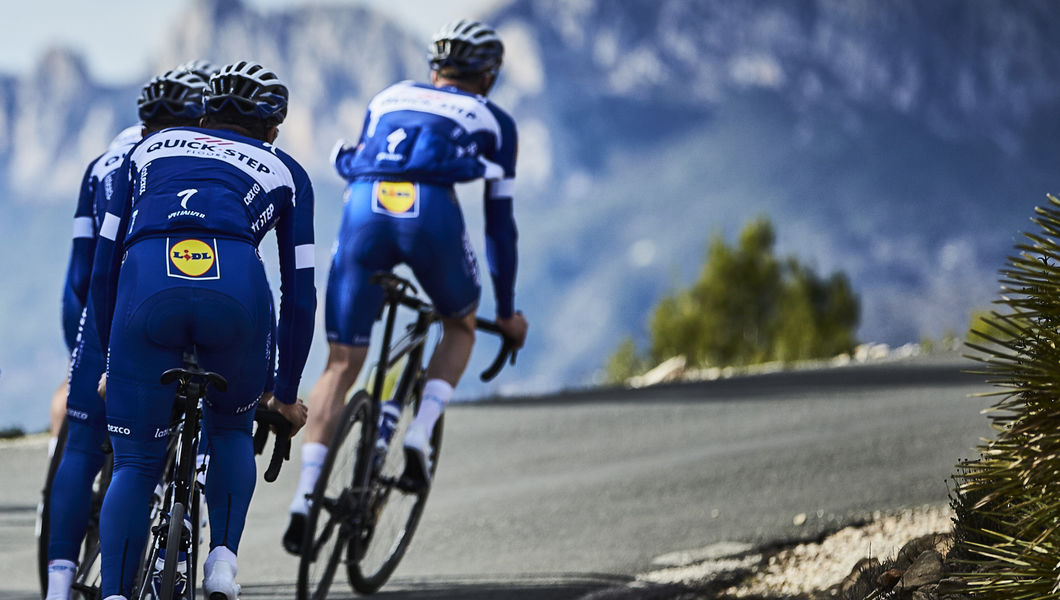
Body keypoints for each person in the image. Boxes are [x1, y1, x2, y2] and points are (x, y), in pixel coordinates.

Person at [283, 18, 528, 553]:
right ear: (487, 76)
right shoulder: (497, 121)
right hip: (431, 214)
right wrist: (507, 312)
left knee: (341, 363)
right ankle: (420, 430)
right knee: (459, 325)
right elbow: (500, 226)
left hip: (364, 207)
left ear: (435, 70)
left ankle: (305, 495)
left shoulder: (388, 95)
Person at [90, 60, 314, 600]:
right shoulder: (286, 170)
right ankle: (221, 567)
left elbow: (103, 267)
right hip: (235, 292)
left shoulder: (147, 149)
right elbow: (299, 292)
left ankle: (117, 594)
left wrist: (107, 366)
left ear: (206, 112)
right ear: (271, 128)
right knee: (234, 429)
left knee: (136, 463)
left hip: (147, 286)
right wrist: (282, 394)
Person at [43, 69, 205, 600]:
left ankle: (58, 587)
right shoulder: (192, 158)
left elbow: (80, 273)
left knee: (83, 445)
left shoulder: (105, 161)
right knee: (159, 445)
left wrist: (86, 352)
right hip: (165, 310)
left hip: (95, 308)